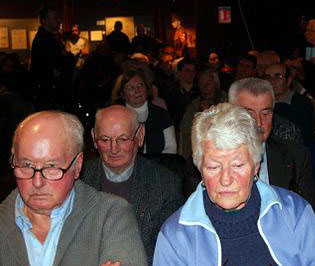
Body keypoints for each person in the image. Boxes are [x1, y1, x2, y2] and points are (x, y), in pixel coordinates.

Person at [153, 103, 315, 265]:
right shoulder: (175, 236)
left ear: (256, 166)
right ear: (200, 168)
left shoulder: (294, 213)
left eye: (238, 165)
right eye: (214, 167)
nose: (225, 179)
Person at [0, 111, 147, 265]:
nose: (37, 182)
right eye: (26, 165)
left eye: (52, 167)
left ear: (77, 165)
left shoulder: (110, 215)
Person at [82, 105, 184, 264]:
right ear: (94, 138)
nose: (113, 149)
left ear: (140, 135)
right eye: (104, 139)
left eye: (123, 139)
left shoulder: (165, 184)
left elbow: (168, 252)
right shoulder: (77, 181)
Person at [228, 78, 315, 214]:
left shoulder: (295, 156)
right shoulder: (212, 160)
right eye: (249, 114)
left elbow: (311, 214)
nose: (258, 123)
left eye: (266, 113)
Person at [118, 68, 177, 155]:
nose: (137, 91)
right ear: (123, 94)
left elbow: (171, 148)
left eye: (140, 85)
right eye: (130, 88)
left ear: (147, 88)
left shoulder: (161, 114)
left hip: (158, 164)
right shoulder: (116, 116)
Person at [30, 6, 73, 110]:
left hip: (53, 90)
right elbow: (47, 66)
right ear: (45, 21)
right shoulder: (44, 40)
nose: (57, 21)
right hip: (51, 92)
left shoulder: (50, 38)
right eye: (54, 18)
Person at [179, 68, 227, 159]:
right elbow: (184, 129)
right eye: (201, 84)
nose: (205, 87)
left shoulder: (228, 102)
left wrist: (210, 116)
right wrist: (199, 116)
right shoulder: (194, 105)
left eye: (208, 83)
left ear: (216, 84)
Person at [264, 63, 315, 146]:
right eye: (268, 77)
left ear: (288, 81)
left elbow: (301, 137)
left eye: (278, 76)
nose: (272, 81)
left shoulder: (301, 103)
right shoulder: (261, 103)